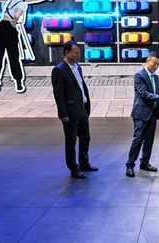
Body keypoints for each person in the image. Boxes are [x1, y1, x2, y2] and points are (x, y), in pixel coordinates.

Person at [51, 41, 98, 179]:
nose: (79, 55)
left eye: (79, 52)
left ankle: (84, 163)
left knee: (85, 138)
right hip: (70, 112)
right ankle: (73, 168)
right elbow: (58, 94)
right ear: (67, 52)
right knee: (71, 141)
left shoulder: (78, 67)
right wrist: (63, 113)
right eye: (76, 52)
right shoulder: (59, 70)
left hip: (82, 109)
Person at [126, 51, 159, 177]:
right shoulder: (139, 76)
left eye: (158, 64)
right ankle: (130, 165)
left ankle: (145, 163)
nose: (156, 66)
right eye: (154, 63)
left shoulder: (156, 77)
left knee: (149, 140)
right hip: (141, 113)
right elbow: (144, 94)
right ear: (147, 60)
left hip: (152, 114)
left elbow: (154, 93)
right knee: (137, 140)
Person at [0, 0, 27, 93]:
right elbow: (17, 16)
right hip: (9, 27)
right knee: (13, 57)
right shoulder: (22, 4)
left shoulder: (12, 1)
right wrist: (13, 25)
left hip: (0, 26)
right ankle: (18, 83)